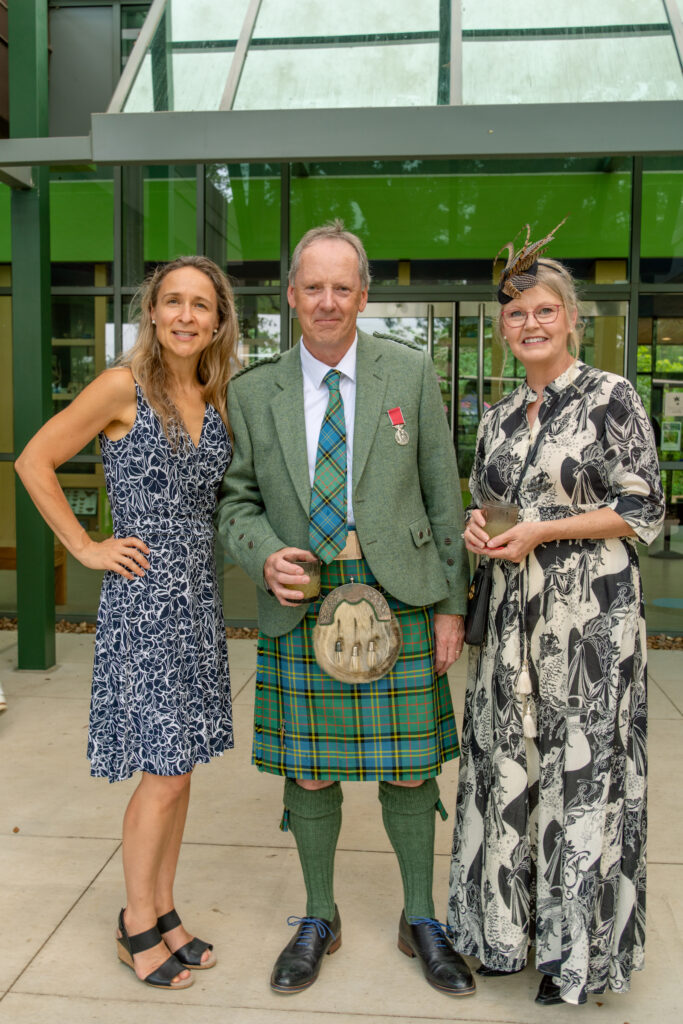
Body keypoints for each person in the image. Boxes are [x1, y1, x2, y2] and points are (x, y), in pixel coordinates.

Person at [217, 221, 474, 997]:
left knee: (408, 770)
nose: (327, 301)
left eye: (342, 286)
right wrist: (261, 552)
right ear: (290, 295)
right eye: (312, 286)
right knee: (309, 773)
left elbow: (442, 489)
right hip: (301, 602)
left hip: (398, 593)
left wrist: (450, 607)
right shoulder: (251, 389)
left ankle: (421, 917)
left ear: (363, 295)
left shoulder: (409, 372)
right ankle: (318, 915)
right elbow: (236, 500)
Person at [447, 224, 665, 1007]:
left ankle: (576, 956)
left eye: (543, 311)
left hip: (590, 624)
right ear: (501, 328)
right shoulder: (498, 417)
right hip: (509, 618)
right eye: (515, 315)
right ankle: (509, 936)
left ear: (569, 318)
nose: (529, 324)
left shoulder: (612, 397)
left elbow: (646, 508)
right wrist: (481, 531)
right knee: (510, 766)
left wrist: (544, 529)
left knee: (582, 773)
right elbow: (490, 507)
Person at [15, 255, 237, 991]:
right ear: (151, 311)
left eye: (199, 305)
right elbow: (34, 460)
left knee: (180, 769)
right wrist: (84, 546)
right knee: (165, 772)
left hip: (196, 600)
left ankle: (165, 909)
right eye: (172, 301)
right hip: (145, 600)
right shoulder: (123, 387)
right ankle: (135, 922)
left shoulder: (212, 390)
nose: (184, 315)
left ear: (218, 320)